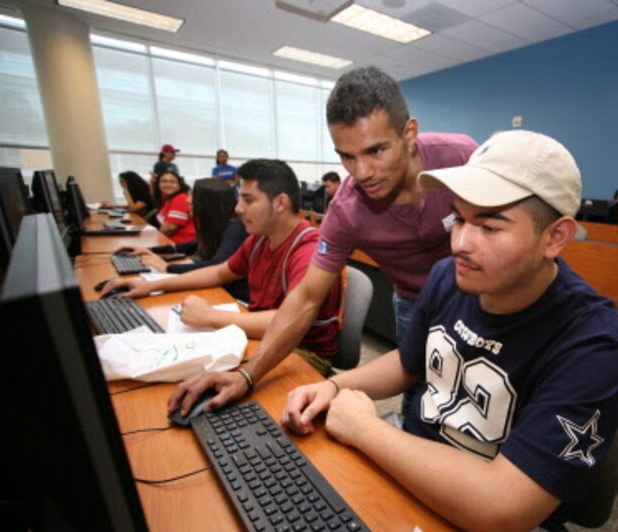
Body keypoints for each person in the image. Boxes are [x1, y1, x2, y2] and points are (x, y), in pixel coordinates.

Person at [281, 130, 618, 532]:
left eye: (489, 226)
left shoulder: (595, 341)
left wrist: (365, 430)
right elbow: (407, 363)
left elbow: (502, 513)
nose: (460, 243)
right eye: (460, 219)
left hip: (496, 525)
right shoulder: (447, 276)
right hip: (410, 461)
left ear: (555, 237)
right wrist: (336, 385)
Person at [166, 66, 477, 417]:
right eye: (346, 156)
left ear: (409, 133)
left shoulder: (461, 157)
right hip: (413, 302)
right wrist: (248, 375)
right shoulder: (347, 209)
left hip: (480, 294)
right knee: (421, 398)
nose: (361, 173)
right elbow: (306, 298)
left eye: (376, 150)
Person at [101, 159, 342, 371]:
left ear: (280, 203)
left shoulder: (307, 249)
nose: (238, 209)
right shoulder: (259, 239)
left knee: (202, 376)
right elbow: (220, 272)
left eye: (248, 200)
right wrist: (152, 285)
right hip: (263, 335)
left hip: (303, 352)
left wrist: (209, 316)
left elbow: (289, 319)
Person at [135, 178, 249, 301]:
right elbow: (194, 244)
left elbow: (217, 265)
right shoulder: (218, 222)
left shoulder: (235, 227)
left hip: (233, 296)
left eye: (193, 196)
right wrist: (152, 250)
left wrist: (167, 267)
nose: (188, 199)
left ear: (208, 203)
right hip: (219, 287)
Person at [153, 170, 196, 243]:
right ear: (158, 184)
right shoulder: (168, 199)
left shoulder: (181, 198)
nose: (168, 185)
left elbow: (169, 228)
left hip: (180, 245)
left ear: (179, 185)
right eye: (164, 181)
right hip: (170, 242)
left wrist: (153, 239)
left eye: (172, 182)